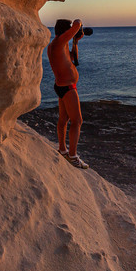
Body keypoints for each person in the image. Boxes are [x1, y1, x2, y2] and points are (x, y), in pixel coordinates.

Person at [48, 19, 89, 169]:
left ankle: (62, 149)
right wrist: (78, 23)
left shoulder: (60, 44)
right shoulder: (58, 43)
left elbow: (72, 59)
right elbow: (77, 23)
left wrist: (76, 42)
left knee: (63, 119)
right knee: (77, 121)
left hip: (62, 86)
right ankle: (72, 155)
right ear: (65, 31)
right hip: (68, 88)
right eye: (69, 30)